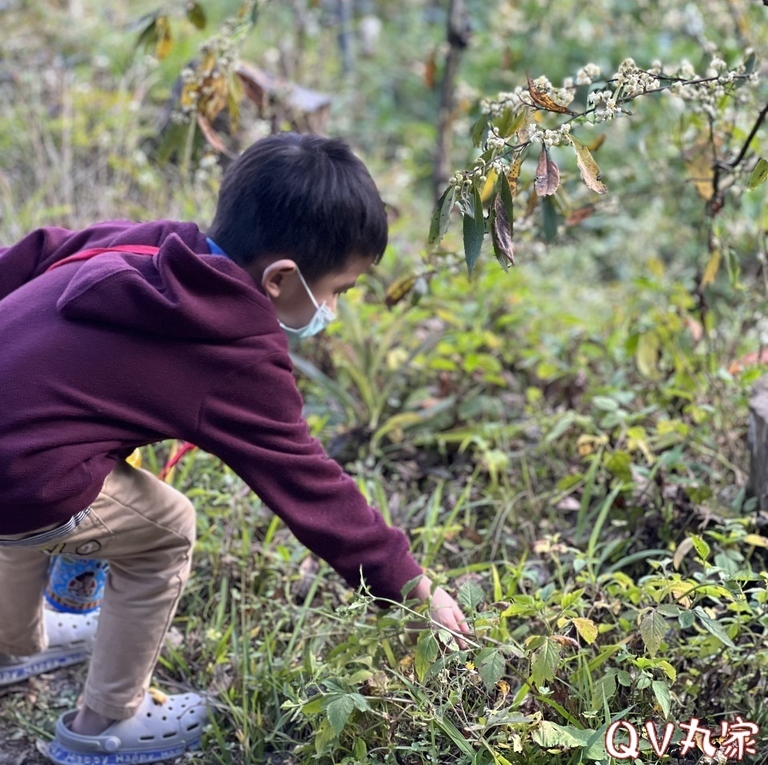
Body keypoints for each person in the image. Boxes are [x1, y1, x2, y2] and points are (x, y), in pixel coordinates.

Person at [0, 132, 469, 763]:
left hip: (15, 447)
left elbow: (28, 255)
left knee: (55, 445)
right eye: (338, 290)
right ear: (280, 279)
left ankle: (13, 642)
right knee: (166, 527)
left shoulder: (142, 241)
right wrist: (411, 587)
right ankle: (107, 723)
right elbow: (308, 482)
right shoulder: (234, 352)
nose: (332, 308)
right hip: (16, 480)